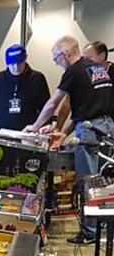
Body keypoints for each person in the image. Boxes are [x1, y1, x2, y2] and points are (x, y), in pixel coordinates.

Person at [24, 36, 114, 244]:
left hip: (90, 132)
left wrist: (35, 126)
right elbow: (84, 110)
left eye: (56, 58)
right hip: (108, 127)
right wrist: (63, 133)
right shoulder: (97, 70)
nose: (56, 63)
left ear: (65, 54)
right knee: (106, 183)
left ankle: (89, 233)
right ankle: (106, 231)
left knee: (88, 182)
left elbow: (52, 104)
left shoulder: (73, 71)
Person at [0, 44, 50, 131]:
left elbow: (46, 109)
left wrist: (45, 129)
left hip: (28, 135)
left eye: (19, 63)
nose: (16, 67)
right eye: (12, 64)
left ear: (25, 58)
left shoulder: (37, 79)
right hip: (1, 134)